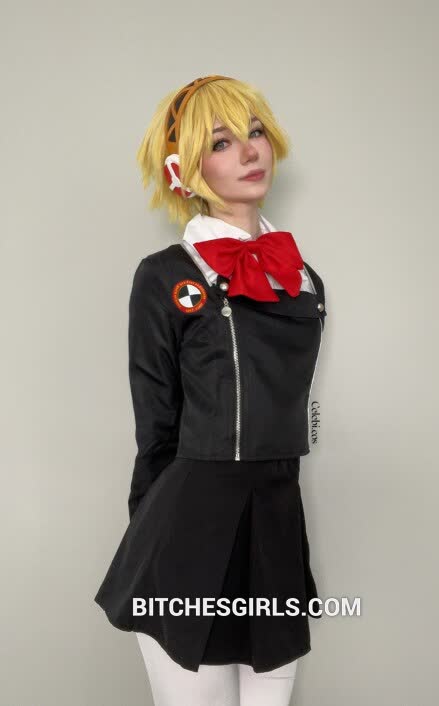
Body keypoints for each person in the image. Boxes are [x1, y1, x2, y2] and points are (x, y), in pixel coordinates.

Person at [94, 75, 327, 706]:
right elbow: (155, 427)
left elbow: (297, 409)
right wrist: (151, 540)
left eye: (255, 133)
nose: (249, 151)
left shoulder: (305, 281)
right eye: (221, 142)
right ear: (184, 171)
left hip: (276, 528)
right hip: (187, 534)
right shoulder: (165, 276)